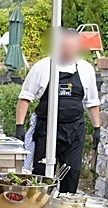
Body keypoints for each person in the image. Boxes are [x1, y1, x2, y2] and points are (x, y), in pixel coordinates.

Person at [14, 29, 100, 193]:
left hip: (74, 131)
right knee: (41, 177)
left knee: (72, 172)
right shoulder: (42, 67)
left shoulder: (86, 69)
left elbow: (92, 102)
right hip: (46, 130)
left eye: (71, 48)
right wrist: (19, 126)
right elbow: (25, 98)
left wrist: (97, 129)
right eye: (64, 47)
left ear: (78, 48)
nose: (67, 51)